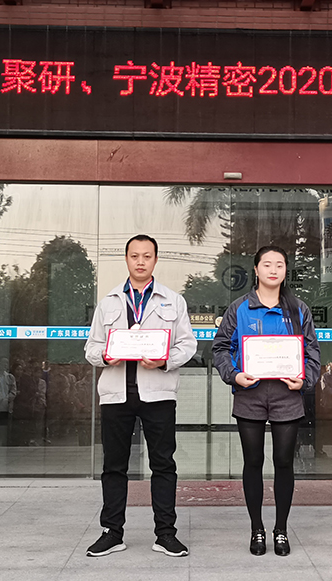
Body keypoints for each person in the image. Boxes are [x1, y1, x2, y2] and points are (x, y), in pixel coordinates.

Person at [83, 235, 198, 558]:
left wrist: (164, 360)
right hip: (116, 395)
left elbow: (187, 344)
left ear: (155, 260)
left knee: (163, 465)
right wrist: (107, 356)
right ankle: (112, 532)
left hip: (158, 394)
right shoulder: (109, 302)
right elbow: (91, 347)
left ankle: (165, 534)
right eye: (134, 256)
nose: (140, 261)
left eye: (147, 256)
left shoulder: (173, 301)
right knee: (114, 466)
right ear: (126, 259)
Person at [212, 245, 321, 557]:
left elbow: (312, 351)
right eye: (267, 264)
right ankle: (257, 528)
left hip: (287, 395)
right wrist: (234, 375)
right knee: (253, 462)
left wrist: (305, 380)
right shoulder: (240, 308)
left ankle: (281, 529)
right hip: (251, 395)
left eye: (280, 265)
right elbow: (220, 347)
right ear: (256, 270)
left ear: (286, 271)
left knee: (284, 461)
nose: (274, 270)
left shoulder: (298, 309)